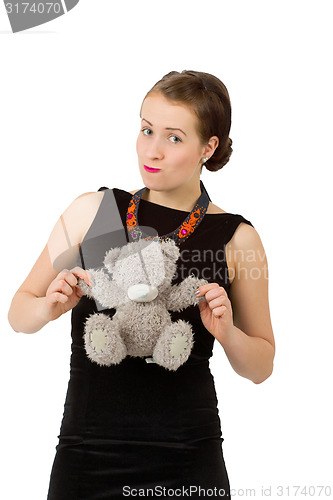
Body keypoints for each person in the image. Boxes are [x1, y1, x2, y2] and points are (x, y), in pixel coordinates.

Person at [8, 70, 275, 499]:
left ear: (208, 147)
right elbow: (18, 313)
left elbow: (261, 366)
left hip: (189, 459)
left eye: (173, 137)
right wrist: (46, 308)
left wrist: (228, 334)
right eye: (146, 129)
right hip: (86, 456)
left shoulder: (237, 238)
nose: (152, 150)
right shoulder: (92, 211)